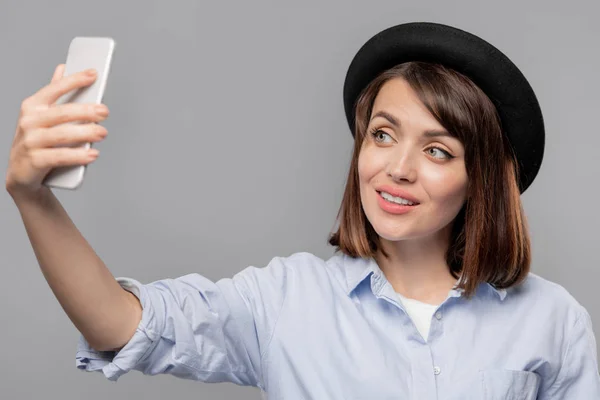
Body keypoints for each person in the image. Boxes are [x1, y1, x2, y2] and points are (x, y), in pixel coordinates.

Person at [6, 21, 599, 399]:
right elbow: (121, 324)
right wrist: (32, 197)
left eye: (438, 149)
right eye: (384, 134)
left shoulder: (552, 320)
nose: (398, 168)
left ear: (482, 181)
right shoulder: (285, 301)